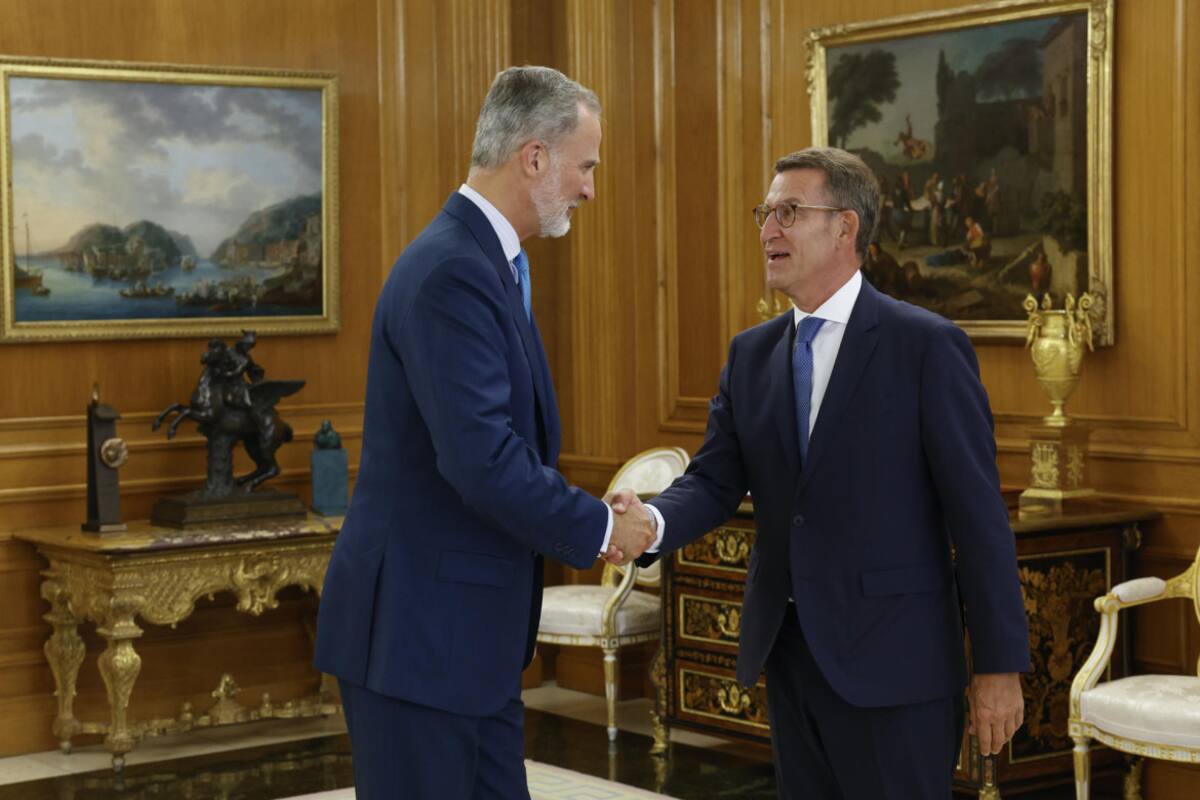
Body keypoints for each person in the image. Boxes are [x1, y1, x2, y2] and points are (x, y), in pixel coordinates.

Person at [608, 147, 1029, 799]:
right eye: (765, 213)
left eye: (789, 212)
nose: (768, 230)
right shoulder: (751, 355)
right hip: (790, 657)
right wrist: (651, 522)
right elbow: (715, 479)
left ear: (845, 227)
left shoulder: (925, 346)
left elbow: (979, 519)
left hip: (898, 669)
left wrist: (999, 667)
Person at [314, 67, 656, 799]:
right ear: (533, 157)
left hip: (466, 644)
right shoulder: (453, 271)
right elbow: (484, 462)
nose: (590, 189)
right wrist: (602, 526)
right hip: (418, 640)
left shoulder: (486, 262)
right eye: (585, 166)